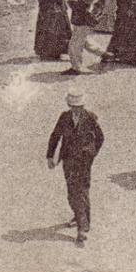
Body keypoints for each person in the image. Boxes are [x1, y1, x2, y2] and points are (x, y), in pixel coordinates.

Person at [46, 92, 105, 246]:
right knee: (72, 191)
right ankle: (79, 217)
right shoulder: (64, 117)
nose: (77, 110)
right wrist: (50, 156)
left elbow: (100, 137)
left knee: (81, 191)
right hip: (68, 160)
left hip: (84, 161)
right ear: (70, 106)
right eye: (74, 107)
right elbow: (55, 136)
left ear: (84, 106)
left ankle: (82, 228)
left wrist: (92, 153)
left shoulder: (91, 117)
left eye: (80, 107)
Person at [66, 0, 101, 74]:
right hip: (83, 18)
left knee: (74, 45)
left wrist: (71, 0)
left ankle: (77, 67)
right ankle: (104, 54)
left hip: (82, 18)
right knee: (83, 40)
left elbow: (84, 5)